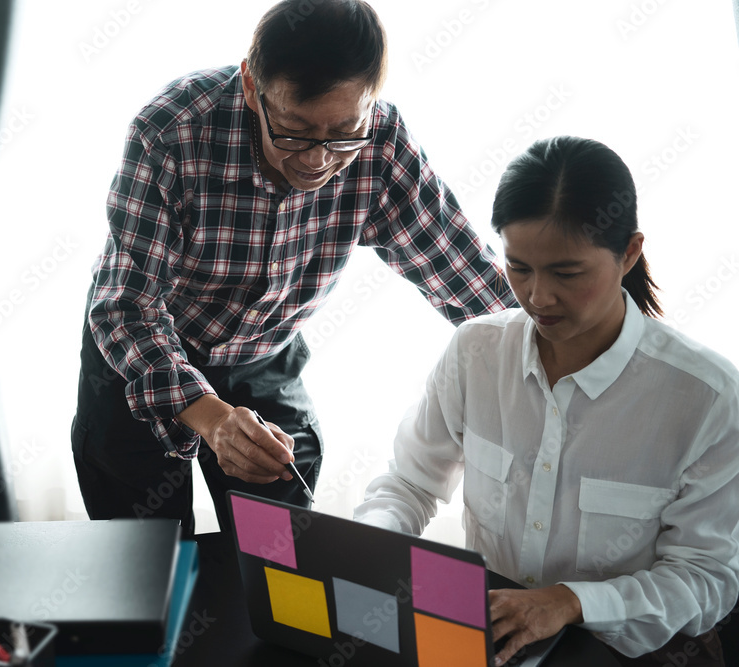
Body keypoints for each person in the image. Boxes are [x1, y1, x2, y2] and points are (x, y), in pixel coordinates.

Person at [72, 0, 515, 538]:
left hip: (263, 355)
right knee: (143, 561)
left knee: (281, 557)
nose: (316, 160)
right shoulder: (172, 132)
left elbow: (465, 273)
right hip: (142, 355)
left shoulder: (381, 142)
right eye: (294, 132)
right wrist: (210, 416)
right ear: (253, 88)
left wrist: (591, 343)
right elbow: (127, 306)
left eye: (342, 135)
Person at [354, 135, 739, 666]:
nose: (537, 296)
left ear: (629, 252)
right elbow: (408, 483)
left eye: (566, 273)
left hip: (625, 650)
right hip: (490, 638)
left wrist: (571, 601)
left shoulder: (706, 399)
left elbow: (705, 579)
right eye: (519, 268)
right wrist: (371, 547)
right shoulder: (476, 351)